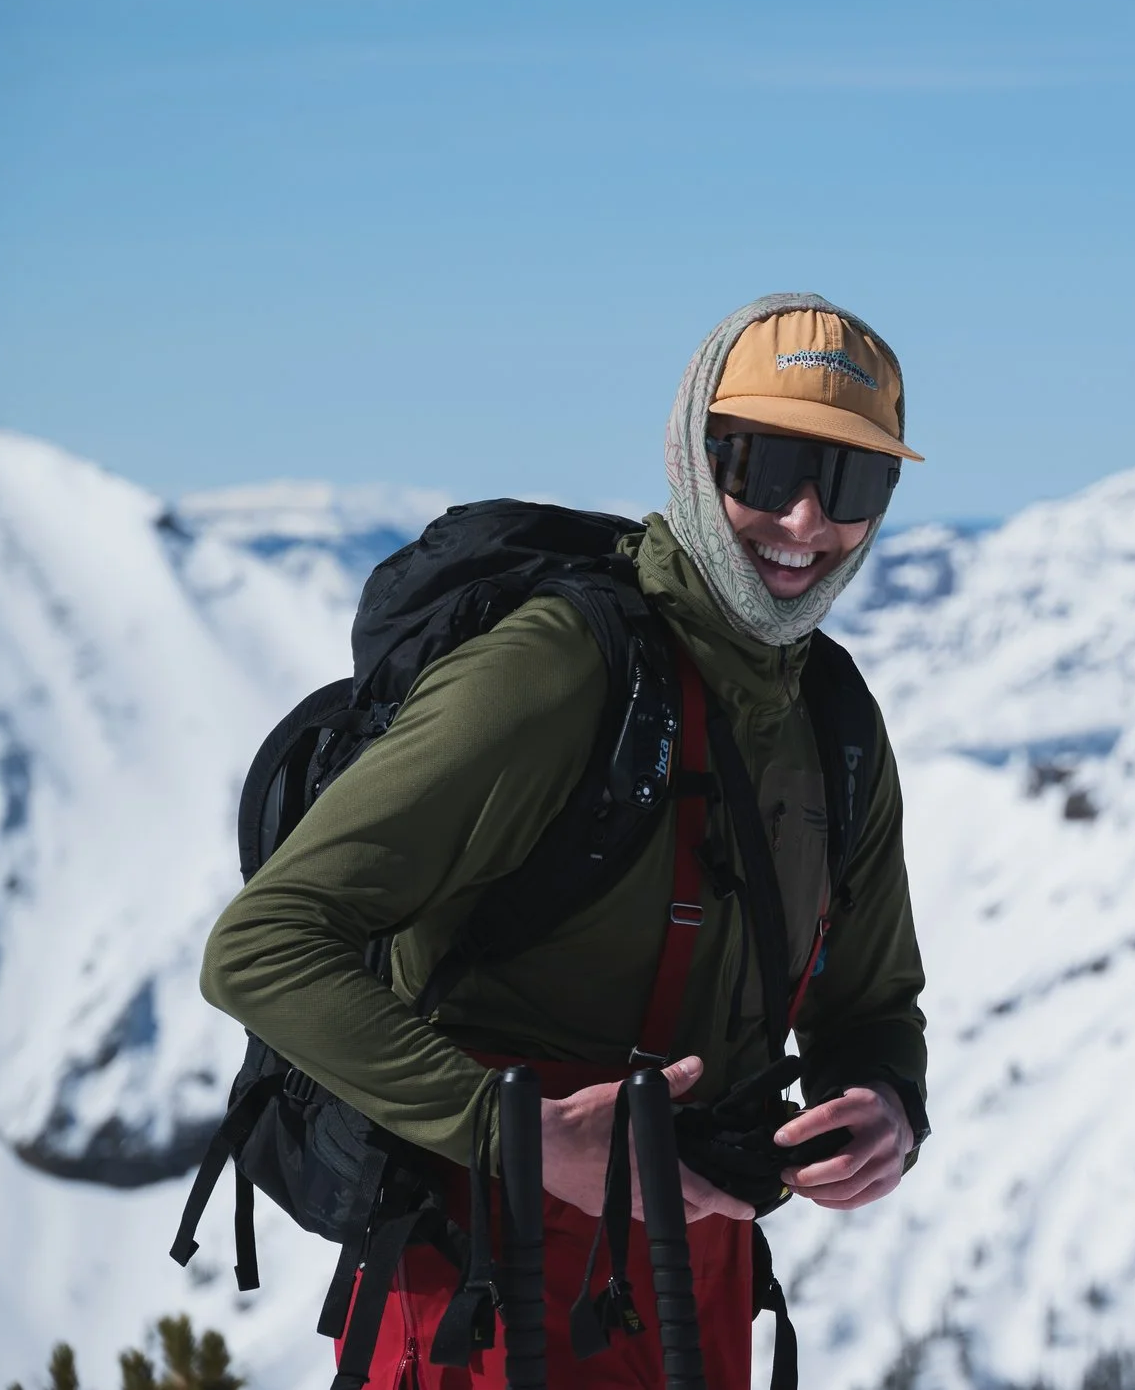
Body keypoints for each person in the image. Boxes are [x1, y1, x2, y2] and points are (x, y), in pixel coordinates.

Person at [201, 294, 930, 1390]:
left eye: (853, 482)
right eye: (764, 465)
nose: (805, 519)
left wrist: (885, 1101)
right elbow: (262, 946)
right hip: (481, 1281)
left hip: (695, 1284)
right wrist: (512, 1132)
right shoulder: (562, 669)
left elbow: (869, 1006)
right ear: (693, 456)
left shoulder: (830, 715)